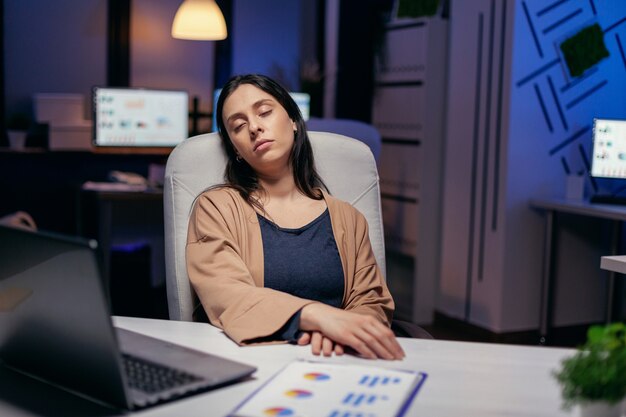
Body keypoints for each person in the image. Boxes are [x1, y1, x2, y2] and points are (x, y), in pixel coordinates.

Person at [186, 74, 404, 360]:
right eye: (238, 126)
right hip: (252, 361)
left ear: (292, 120)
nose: (254, 127)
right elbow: (227, 295)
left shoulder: (349, 218)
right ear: (235, 149)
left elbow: (371, 301)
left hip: (339, 360)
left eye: (264, 112)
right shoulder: (215, 208)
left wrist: (340, 333)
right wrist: (317, 317)